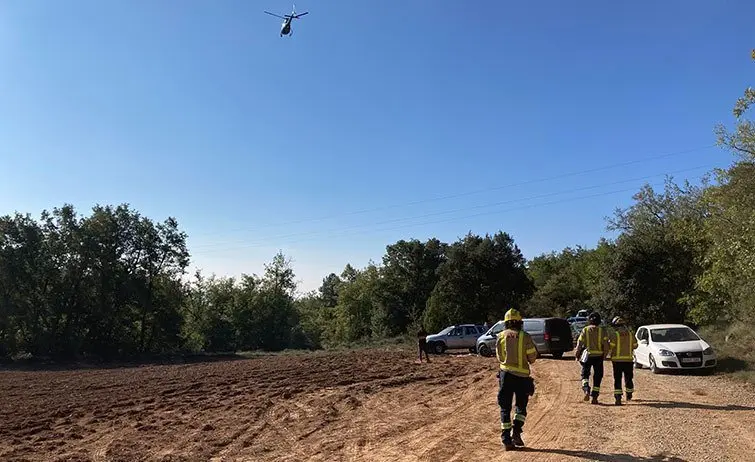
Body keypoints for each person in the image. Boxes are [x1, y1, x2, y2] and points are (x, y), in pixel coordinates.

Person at [496, 308, 538, 451]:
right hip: (522, 377)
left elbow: (500, 357)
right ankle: (517, 432)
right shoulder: (525, 336)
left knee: (505, 407)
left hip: (506, 375)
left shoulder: (501, 336)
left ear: (506, 323)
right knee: (521, 406)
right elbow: (532, 357)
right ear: (520, 322)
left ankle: (506, 439)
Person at [575, 312, 610, 404]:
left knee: (585, 375)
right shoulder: (602, 331)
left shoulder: (585, 330)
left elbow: (579, 344)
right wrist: (604, 356)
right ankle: (595, 396)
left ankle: (586, 389)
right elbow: (606, 345)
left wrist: (577, 354)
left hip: (587, 357)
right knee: (598, 377)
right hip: (598, 357)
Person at [609, 316, 637, 405]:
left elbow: (611, 346)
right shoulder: (630, 334)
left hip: (617, 361)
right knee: (628, 378)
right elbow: (635, 345)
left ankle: (618, 397)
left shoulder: (615, 334)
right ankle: (629, 393)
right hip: (628, 360)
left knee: (617, 378)